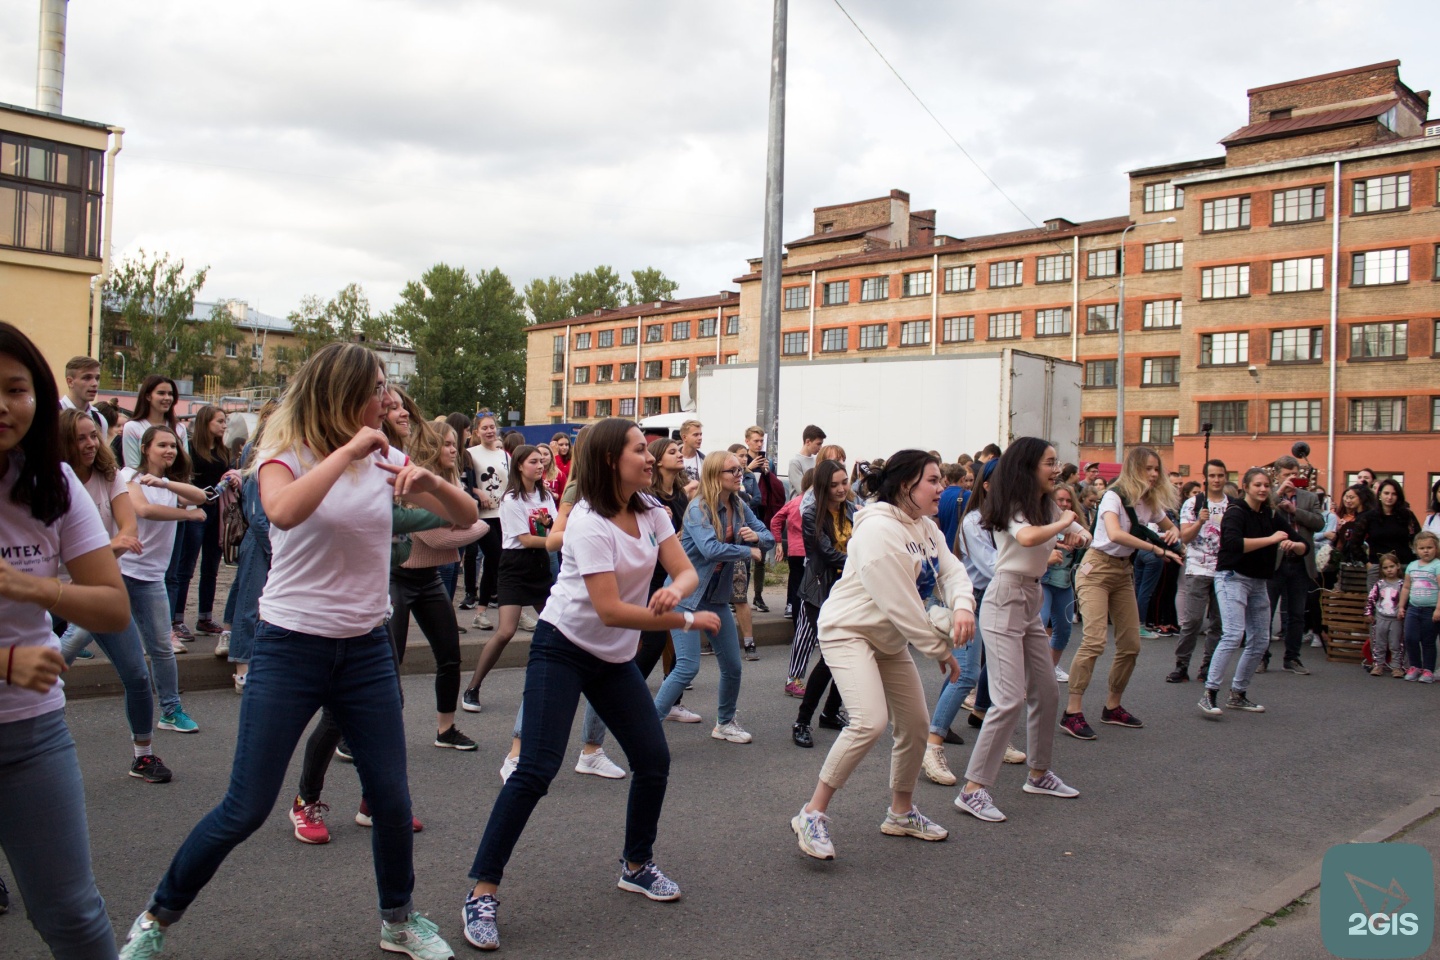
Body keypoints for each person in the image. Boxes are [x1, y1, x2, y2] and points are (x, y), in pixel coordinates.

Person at [118, 342, 475, 960]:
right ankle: (156, 917)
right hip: (290, 646)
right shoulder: (281, 456)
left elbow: (470, 514)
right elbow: (282, 511)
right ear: (340, 394)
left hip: (364, 647)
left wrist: (432, 485)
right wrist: (345, 454)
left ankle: (399, 921)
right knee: (247, 806)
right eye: (375, 387)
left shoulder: (384, 454)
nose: (386, 399)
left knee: (392, 800)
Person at [461, 418, 716, 952]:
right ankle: (482, 890)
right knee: (535, 769)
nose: (651, 458)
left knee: (653, 759)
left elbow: (685, 571)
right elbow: (611, 610)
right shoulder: (585, 521)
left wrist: (677, 591)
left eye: (649, 451)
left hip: (613, 657)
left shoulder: (652, 511)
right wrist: (685, 621)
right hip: (564, 647)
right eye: (640, 451)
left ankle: (637, 864)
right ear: (608, 461)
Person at [0, 322, 132, 959]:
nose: (3, 405)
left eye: (16, 389)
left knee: (73, 916)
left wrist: (35, 591)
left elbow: (111, 607)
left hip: (31, 737)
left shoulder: (51, 484)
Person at [789, 451, 975, 861]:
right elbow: (902, 604)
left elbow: (951, 570)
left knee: (916, 723)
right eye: (932, 480)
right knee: (869, 721)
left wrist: (963, 605)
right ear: (906, 484)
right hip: (848, 632)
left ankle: (901, 813)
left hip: (889, 638)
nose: (941, 488)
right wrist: (940, 648)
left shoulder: (925, 526)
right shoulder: (876, 531)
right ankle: (811, 813)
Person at [956, 438, 1088, 823]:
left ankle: (1039, 773)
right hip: (1003, 600)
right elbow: (1028, 537)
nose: (1056, 467)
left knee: (1046, 691)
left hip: (1030, 599)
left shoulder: (1045, 504)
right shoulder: (1013, 505)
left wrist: (1074, 535)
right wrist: (1064, 524)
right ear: (1029, 466)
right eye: (1049, 461)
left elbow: (1086, 535)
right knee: (1008, 698)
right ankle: (973, 790)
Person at [57, 408, 172, 783]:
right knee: (38, 675)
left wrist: (108, 549)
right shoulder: (51, 481)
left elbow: (129, 529)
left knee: (138, 675)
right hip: (51, 590)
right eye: (80, 438)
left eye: (94, 435)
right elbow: (62, 553)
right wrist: (111, 548)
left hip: (100, 588)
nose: (91, 443)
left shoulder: (111, 476)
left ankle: (143, 756)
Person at [386, 392, 487, 751]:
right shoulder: (417, 482)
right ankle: (359, 736)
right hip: (399, 577)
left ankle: (446, 729)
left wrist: (466, 526)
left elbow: (460, 526)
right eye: (445, 444)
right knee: (389, 661)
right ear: (430, 446)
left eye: (453, 444)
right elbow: (438, 537)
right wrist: (476, 526)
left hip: (428, 580)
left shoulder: (450, 481)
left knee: (450, 654)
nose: (452, 449)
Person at [654, 450, 774, 743]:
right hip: (686, 596)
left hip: (716, 597)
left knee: (732, 665)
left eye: (739, 470)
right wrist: (749, 550)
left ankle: (724, 723)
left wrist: (756, 539)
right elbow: (710, 549)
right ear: (714, 476)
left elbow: (768, 537)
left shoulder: (740, 505)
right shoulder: (699, 509)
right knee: (687, 667)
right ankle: (648, 727)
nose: (738, 475)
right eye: (731, 470)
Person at [1063, 446, 1180, 741]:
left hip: (1123, 571)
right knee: (1094, 640)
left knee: (1131, 644)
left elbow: (1172, 529)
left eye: (1157, 469)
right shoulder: (1114, 496)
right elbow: (1114, 534)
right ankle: (1072, 712)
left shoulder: (1149, 501)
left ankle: (1112, 706)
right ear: (1134, 470)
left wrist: (1177, 532)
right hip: (1097, 570)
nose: (1153, 475)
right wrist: (1156, 547)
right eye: (1147, 469)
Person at [121, 425, 209, 733]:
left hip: (151, 577)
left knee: (161, 647)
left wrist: (166, 483)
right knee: (79, 636)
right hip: (120, 572)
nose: (169, 450)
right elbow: (144, 510)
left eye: (173, 445)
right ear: (146, 448)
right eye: (162, 445)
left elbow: (200, 497)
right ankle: (34, 687)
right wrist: (188, 514)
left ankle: (170, 711)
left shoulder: (167, 483)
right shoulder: (129, 476)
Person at [1199, 468, 1305, 717]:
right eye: (1257, 484)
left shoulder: (1270, 514)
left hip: (1258, 582)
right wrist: (1272, 540)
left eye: (1267, 485)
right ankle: (1209, 693)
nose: (1263, 489)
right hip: (1232, 577)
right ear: (1245, 487)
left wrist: (1295, 545)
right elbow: (1233, 544)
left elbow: (1302, 543)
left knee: (1260, 640)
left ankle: (1238, 694)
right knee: (1233, 634)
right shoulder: (1235, 512)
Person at [461, 444, 557, 712]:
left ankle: (564, 680)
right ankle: (472, 687)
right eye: (533, 462)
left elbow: (555, 525)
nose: (540, 466)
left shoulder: (545, 495)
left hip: (540, 567)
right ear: (519, 466)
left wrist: (558, 534)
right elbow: (526, 540)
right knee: (505, 631)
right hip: (515, 566)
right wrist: (557, 540)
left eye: (541, 462)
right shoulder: (512, 499)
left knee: (558, 625)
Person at [791, 461, 856, 748]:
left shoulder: (854, 510)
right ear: (822, 487)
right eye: (834, 484)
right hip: (821, 593)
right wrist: (863, 562)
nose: (842, 489)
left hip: (852, 590)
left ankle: (830, 712)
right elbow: (827, 553)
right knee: (830, 657)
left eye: (844, 482)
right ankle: (802, 721)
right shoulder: (811, 515)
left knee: (850, 654)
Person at [637, 437, 697, 722]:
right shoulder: (647, 497)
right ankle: (627, 694)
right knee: (654, 640)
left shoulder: (681, 495)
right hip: (651, 577)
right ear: (659, 460)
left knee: (676, 643)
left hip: (674, 575)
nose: (679, 455)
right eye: (672, 452)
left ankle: (673, 702)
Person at [1167, 460, 1230, 683]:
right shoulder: (1193, 504)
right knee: (1192, 621)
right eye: (1212, 475)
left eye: (1220, 475)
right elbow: (1185, 537)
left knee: (1218, 623)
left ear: (1225, 477)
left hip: (1224, 572)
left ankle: (1208, 666)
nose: (1216, 480)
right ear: (1205, 478)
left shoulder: (1232, 504)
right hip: (1197, 568)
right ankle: (1181, 665)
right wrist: (1200, 522)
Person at [179, 405, 237, 642]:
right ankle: (177, 619)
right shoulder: (191, 449)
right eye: (220, 421)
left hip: (217, 513)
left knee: (211, 568)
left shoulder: (224, 451)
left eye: (225, 422)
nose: (224, 426)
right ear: (206, 423)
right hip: (196, 511)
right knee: (186, 567)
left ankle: (205, 616)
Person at [1261, 456, 1323, 675]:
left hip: (1300, 562)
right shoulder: (1268, 495)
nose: (1291, 478)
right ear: (1277, 475)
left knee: (1297, 613)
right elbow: (1260, 514)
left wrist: (1295, 510)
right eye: (1287, 475)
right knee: (1265, 612)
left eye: (1295, 474)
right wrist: (1278, 496)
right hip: (1275, 562)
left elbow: (1319, 523)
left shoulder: (1309, 497)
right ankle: (1262, 657)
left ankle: (1293, 658)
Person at [462, 412, 509, 627]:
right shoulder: (469, 454)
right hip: (482, 516)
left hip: (504, 515)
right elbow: (460, 482)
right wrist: (476, 492)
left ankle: (481, 613)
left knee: (495, 561)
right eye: (485, 428)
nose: (489, 431)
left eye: (492, 427)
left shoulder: (505, 455)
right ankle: (502, 608)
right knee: (496, 558)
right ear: (476, 432)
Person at [742, 425, 786, 614]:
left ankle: (758, 596)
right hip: (745, 514)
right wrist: (747, 469)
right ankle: (739, 596)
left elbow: (773, 488)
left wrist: (768, 472)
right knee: (743, 558)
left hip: (762, 514)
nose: (759, 444)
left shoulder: (768, 462)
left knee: (760, 558)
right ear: (747, 441)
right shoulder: (742, 460)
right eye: (756, 441)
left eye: (761, 441)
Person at [1043, 482, 1082, 681]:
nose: (1065, 504)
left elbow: (1088, 538)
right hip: (1043, 580)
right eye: (1061, 500)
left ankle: (1050, 669)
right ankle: (1029, 675)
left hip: (1064, 583)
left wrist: (1081, 541)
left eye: (1068, 500)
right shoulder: (1044, 520)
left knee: (1065, 629)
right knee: (1039, 628)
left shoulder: (1073, 524)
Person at [121, 374, 187, 471]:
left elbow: (185, 466)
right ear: (148, 396)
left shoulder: (180, 428)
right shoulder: (132, 427)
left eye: (170, 394)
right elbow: (132, 468)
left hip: (175, 484)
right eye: (161, 393)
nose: (167, 398)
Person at [1399, 531, 1440, 683]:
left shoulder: (1437, 565)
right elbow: (1406, 587)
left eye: (1430, 547)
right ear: (1416, 549)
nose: (1426, 551)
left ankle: (1428, 669)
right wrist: (1401, 606)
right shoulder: (1412, 566)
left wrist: (1438, 609)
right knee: (1410, 638)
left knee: (1428, 640)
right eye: (1422, 548)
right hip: (1413, 609)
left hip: (1431, 610)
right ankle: (1415, 666)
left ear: (1436, 548)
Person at [770, 469, 810, 620]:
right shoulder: (815, 503)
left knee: (795, 583)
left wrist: (778, 540)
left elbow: (775, 520)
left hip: (794, 551)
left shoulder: (794, 502)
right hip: (809, 551)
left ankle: (792, 609)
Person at [1365, 553, 1406, 678]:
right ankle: (1378, 665)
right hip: (1381, 618)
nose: (1389, 570)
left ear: (1398, 566)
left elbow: (1406, 601)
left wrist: (1403, 612)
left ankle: (1397, 667)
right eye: (1385, 567)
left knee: (1396, 644)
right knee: (1379, 643)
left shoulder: (1402, 585)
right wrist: (1369, 612)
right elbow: (1371, 599)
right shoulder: (1379, 584)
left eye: (1392, 566)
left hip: (1396, 619)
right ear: (1382, 569)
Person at [61, 355, 109, 441]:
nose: (94, 383)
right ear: (70, 382)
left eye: (97, 378)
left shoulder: (100, 420)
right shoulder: (52, 413)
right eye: (87, 378)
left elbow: (100, 453)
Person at [787, 424, 826, 498]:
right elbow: (802, 490)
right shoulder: (795, 462)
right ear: (808, 442)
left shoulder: (816, 460)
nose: (820, 448)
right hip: (799, 506)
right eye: (818, 444)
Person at [550, 431, 573, 496]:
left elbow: (563, 473)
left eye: (567, 444)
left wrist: (556, 454)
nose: (564, 447)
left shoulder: (572, 458)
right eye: (561, 445)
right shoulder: (548, 458)